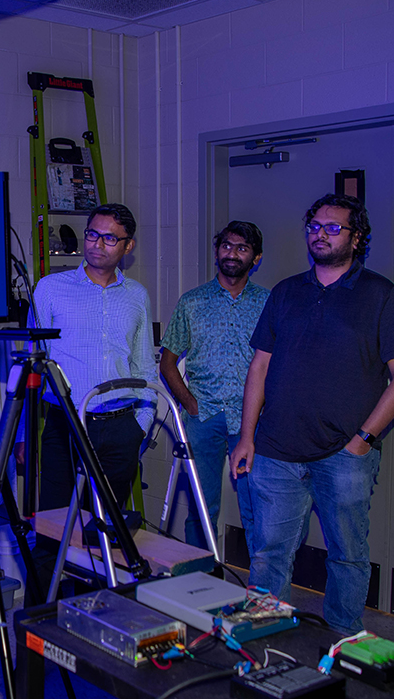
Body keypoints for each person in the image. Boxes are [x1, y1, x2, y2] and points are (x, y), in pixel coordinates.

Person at [230, 194, 394, 635]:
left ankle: (342, 639)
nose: (320, 233)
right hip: (276, 451)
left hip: (343, 455)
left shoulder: (381, 296)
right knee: (269, 551)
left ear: (357, 238)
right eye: (314, 226)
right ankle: (262, 634)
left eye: (333, 227)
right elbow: (259, 366)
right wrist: (247, 436)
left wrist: (362, 441)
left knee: (347, 554)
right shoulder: (286, 292)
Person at [16, 204, 157, 598]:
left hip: (119, 427)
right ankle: (38, 624)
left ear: (127, 246)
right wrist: (28, 432)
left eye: (110, 237)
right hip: (65, 425)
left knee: (104, 535)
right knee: (53, 531)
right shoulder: (50, 288)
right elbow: (34, 366)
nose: (97, 244)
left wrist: (140, 425)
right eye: (93, 234)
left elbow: (145, 363)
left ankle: (94, 621)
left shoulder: (137, 296)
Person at [159, 221, 268, 553]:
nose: (232, 254)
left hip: (252, 421)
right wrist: (189, 403)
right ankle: (201, 581)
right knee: (201, 509)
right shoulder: (192, 302)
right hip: (203, 417)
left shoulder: (269, 303)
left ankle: (259, 588)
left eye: (242, 248)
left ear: (256, 258)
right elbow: (167, 362)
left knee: (258, 511)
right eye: (226, 246)